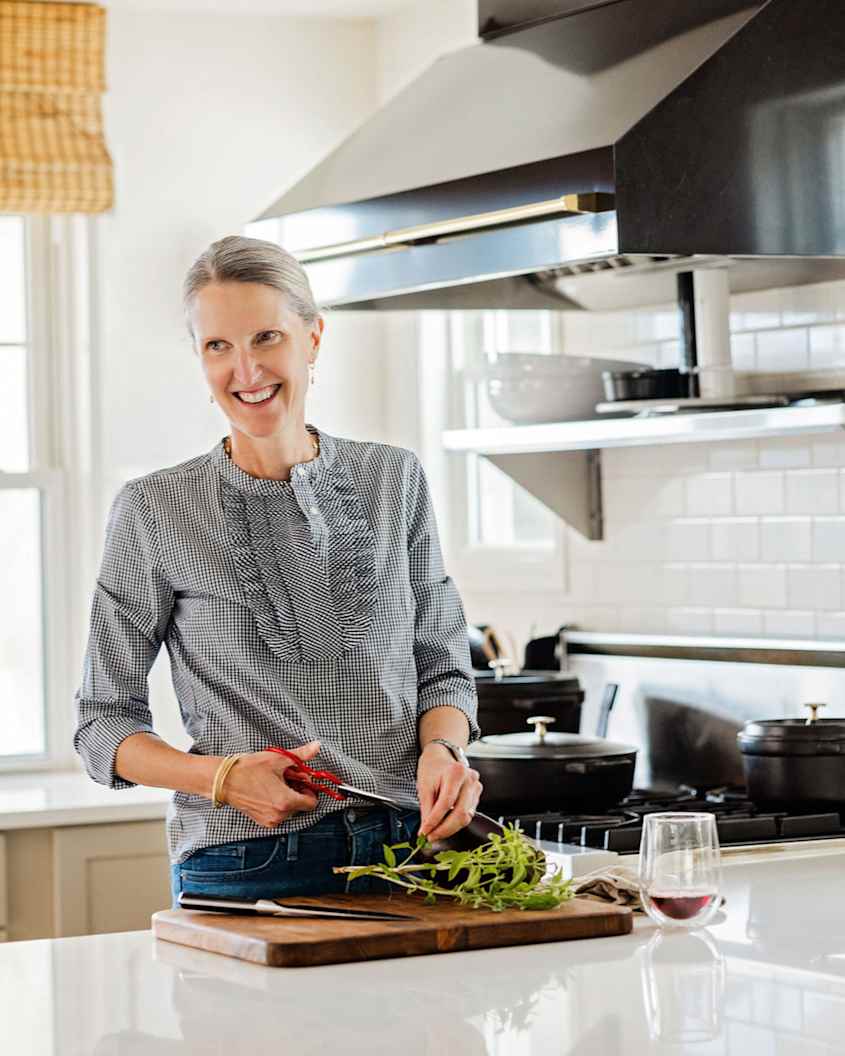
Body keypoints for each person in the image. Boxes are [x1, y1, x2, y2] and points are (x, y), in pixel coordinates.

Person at [72, 235, 481, 908]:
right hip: (248, 860)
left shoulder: (393, 478)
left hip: (414, 851)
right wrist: (224, 778)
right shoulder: (154, 508)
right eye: (218, 346)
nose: (246, 369)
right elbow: (102, 725)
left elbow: (443, 668)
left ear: (313, 338)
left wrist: (444, 752)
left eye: (266, 337)